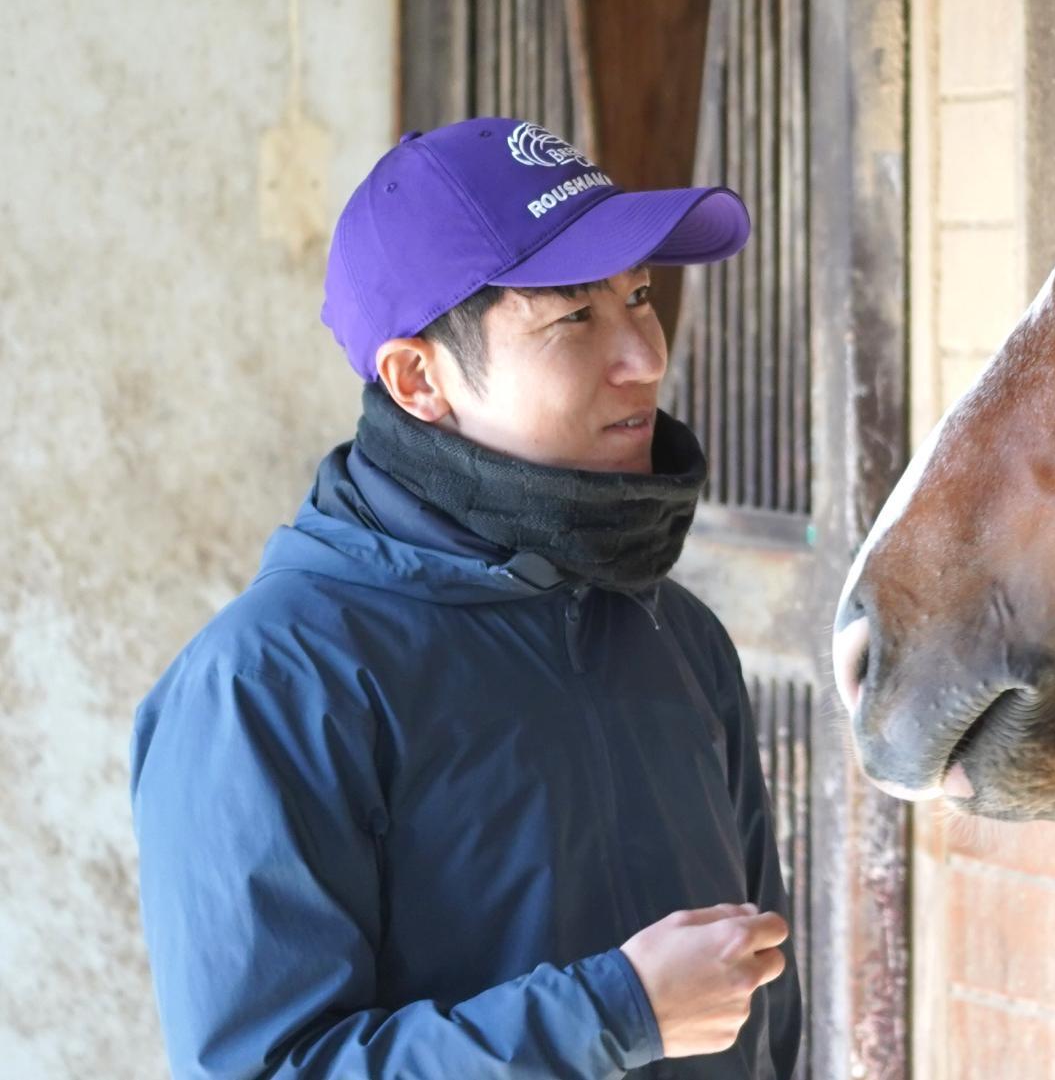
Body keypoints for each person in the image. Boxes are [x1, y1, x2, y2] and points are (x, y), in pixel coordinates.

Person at [130, 118, 801, 1078]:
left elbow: (767, 1025)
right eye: (574, 317)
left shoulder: (674, 634)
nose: (645, 356)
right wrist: (613, 1012)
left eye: (641, 296)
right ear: (418, 378)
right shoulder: (266, 684)